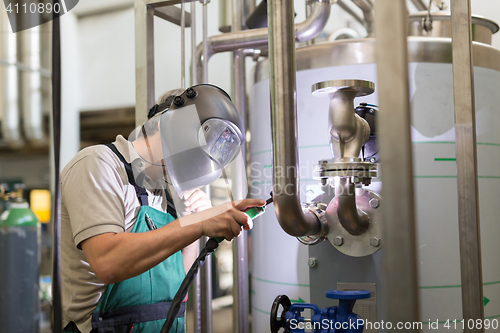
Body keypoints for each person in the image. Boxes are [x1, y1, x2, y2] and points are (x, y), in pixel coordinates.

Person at [60, 85, 264, 333]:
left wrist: (193, 226)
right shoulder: (98, 164)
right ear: (162, 124)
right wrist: (196, 224)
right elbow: (107, 262)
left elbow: (177, 285)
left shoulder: (168, 192)